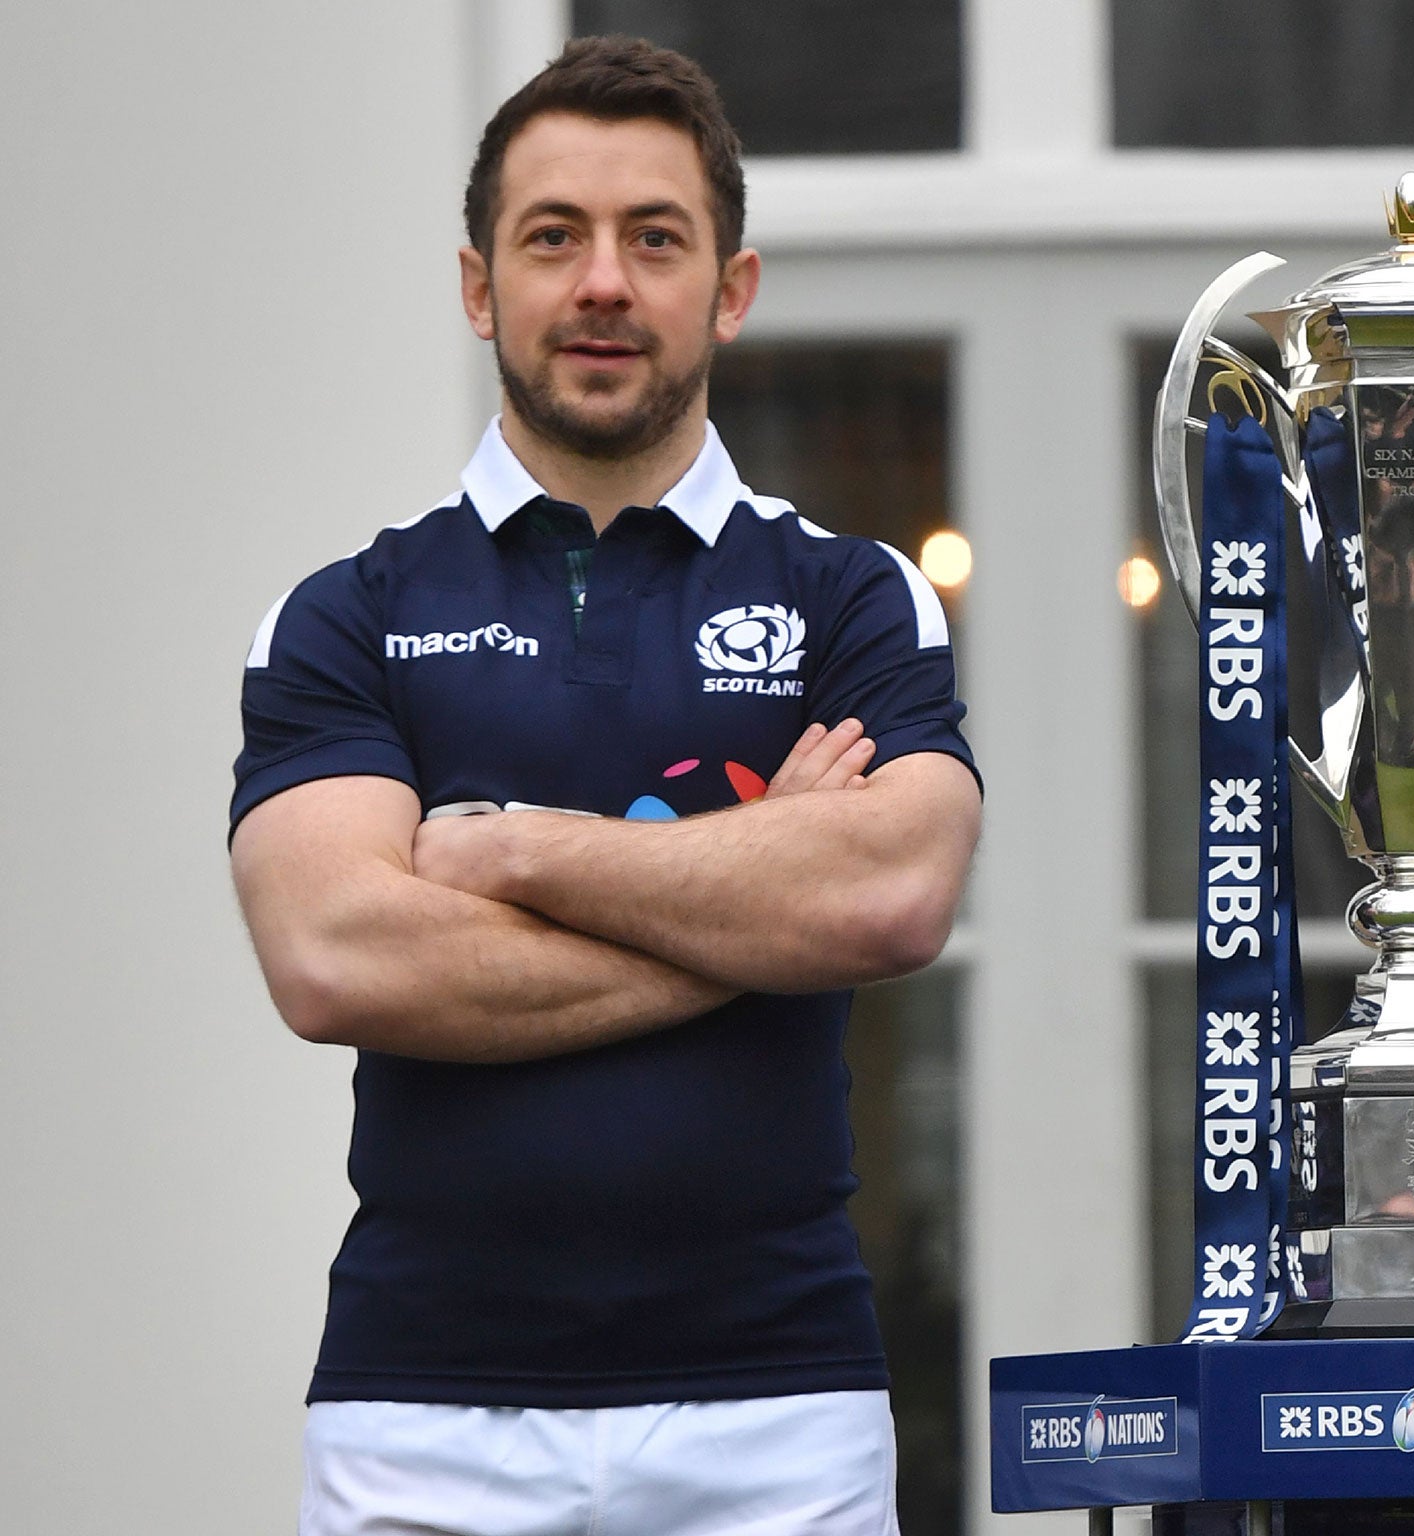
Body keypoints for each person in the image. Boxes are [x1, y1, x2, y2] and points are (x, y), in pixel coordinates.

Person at [228, 36, 981, 1536]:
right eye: (552, 237)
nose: (602, 285)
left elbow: (891, 897)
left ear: (732, 287)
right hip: (421, 1419)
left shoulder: (855, 600)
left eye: (655, 239)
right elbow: (334, 956)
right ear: (477, 284)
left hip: (780, 1414)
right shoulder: (343, 615)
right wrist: (754, 884)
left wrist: (510, 853)